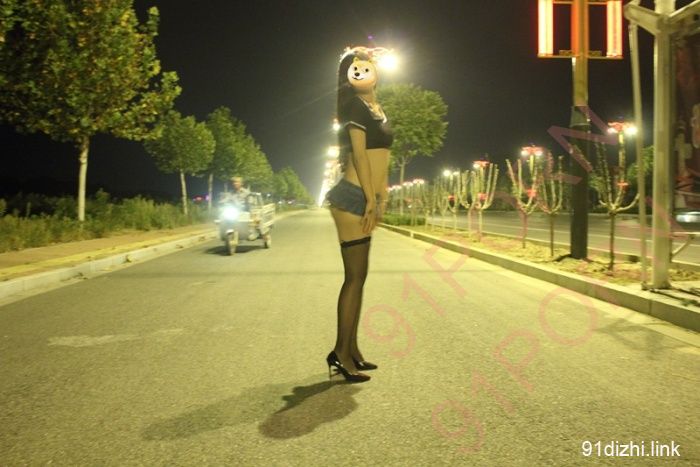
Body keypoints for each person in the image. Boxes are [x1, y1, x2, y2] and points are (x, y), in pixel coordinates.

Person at [324, 46, 393, 383]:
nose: (362, 71)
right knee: (354, 278)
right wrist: (368, 198)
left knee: (359, 277)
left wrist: (383, 194)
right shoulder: (354, 106)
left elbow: (384, 156)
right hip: (353, 196)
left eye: (367, 66)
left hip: (366, 196)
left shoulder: (376, 109)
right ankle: (340, 353)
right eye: (355, 68)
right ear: (348, 77)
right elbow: (361, 156)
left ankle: (352, 350)